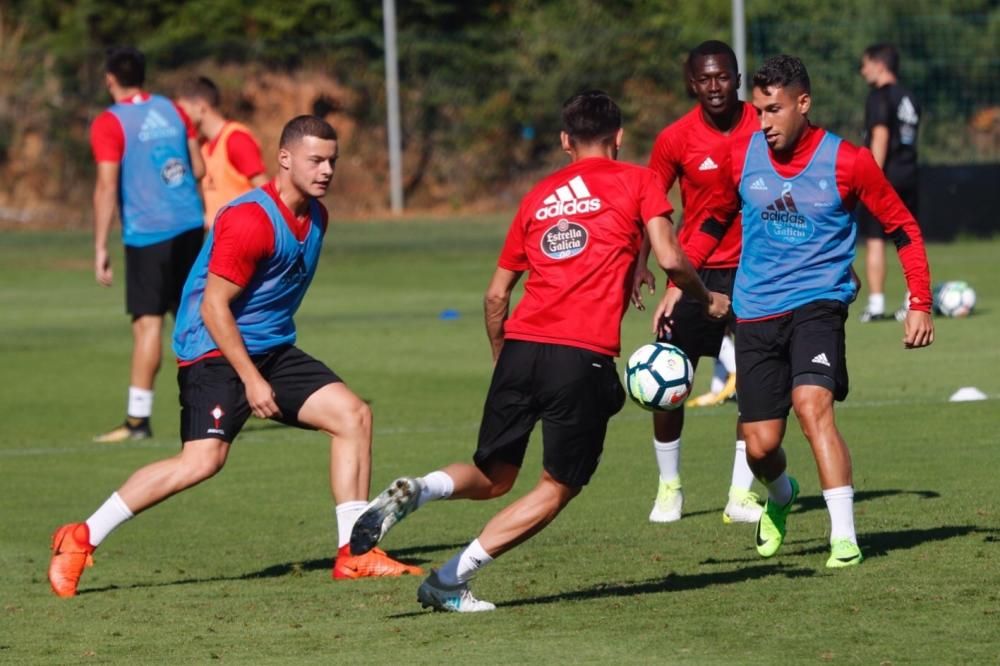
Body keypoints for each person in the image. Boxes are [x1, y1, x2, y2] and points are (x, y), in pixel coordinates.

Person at [347, 91, 730, 613]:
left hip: (522, 347)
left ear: (564, 141)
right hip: (582, 356)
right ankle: (448, 580)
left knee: (493, 476)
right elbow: (669, 254)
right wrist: (704, 298)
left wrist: (503, 358)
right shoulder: (638, 179)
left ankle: (421, 487)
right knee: (557, 486)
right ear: (618, 138)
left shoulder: (538, 196)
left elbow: (495, 295)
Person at [48, 115, 421, 598]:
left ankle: (353, 554)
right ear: (284, 159)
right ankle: (80, 537)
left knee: (353, 415)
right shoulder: (250, 220)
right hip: (214, 350)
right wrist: (251, 379)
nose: (327, 170)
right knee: (201, 462)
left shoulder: (317, 216)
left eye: (332, 160)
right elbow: (213, 305)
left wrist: (265, 367)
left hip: (270, 348)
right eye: (315, 160)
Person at [658, 55, 934, 568]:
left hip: (818, 305)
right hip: (756, 312)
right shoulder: (745, 157)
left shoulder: (849, 161)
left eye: (773, 110)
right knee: (761, 448)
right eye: (759, 111)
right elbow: (715, 218)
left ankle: (844, 537)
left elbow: (904, 229)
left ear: (803, 104)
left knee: (812, 406)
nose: (762, 122)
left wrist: (918, 300)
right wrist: (683, 280)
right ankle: (782, 495)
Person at [637, 40, 763, 525]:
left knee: (757, 383)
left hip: (756, 269)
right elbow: (650, 202)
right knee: (667, 379)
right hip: (693, 270)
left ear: (737, 76)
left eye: (723, 76)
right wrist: (642, 264)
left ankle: (740, 494)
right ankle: (669, 487)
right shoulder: (675, 138)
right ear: (692, 83)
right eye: (704, 78)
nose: (715, 86)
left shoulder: (764, 124)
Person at [91, 47, 207, 443]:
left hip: (148, 235)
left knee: (147, 326)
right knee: (198, 319)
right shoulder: (173, 110)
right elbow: (199, 168)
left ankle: (138, 421)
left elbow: (106, 186)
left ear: (110, 79)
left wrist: (100, 247)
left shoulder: (110, 122)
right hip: (191, 225)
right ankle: (226, 401)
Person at [857, 44, 921, 322]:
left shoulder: (879, 97)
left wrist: (871, 177)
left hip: (886, 176)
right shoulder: (910, 97)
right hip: (909, 173)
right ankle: (912, 300)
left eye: (866, 64)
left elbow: (880, 136)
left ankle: (876, 303)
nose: (863, 70)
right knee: (907, 237)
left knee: (875, 239)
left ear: (880, 65)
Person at [176, 76, 269, 228]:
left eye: (182, 110)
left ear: (200, 106)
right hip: (221, 240)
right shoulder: (202, 146)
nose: (179, 117)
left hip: (244, 236)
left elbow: (268, 194)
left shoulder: (236, 139)